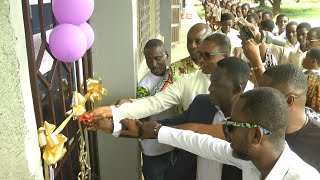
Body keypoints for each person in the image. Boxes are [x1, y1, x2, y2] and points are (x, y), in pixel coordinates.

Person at [89, 57, 251, 180]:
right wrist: (114, 125)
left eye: (217, 84)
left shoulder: (252, 124)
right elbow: (169, 124)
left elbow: (192, 135)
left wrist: (158, 131)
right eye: (211, 82)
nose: (210, 88)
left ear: (237, 89)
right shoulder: (202, 103)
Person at [122, 88, 320, 179]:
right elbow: (203, 143)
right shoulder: (254, 159)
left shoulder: (303, 177)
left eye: (230, 125)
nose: (225, 132)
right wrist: (156, 130)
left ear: (256, 136)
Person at [90, 32, 232, 137]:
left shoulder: (243, 89)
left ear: (225, 56)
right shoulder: (187, 81)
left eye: (207, 55)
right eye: (200, 54)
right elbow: (154, 103)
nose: (201, 59)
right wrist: (112, 111)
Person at [259, 64, 320, 172]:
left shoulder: (316, 142)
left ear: (288, 101)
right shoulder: (259, 127)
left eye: (264, 97)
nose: (258, 101)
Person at [134, 39, 177, 180]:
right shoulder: (144, 86)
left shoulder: (176, 76)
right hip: (153, 149)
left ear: (167, 55)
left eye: (158, 58)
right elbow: (142, 117)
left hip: (174, 143)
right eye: (149, 60)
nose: (153, 64)